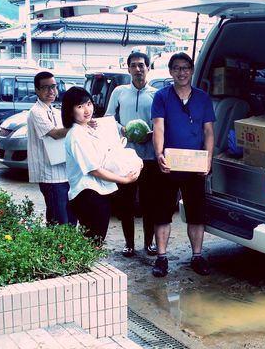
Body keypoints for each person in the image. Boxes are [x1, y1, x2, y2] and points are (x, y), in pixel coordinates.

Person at [151, 52, 215, 277]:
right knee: (162, 213)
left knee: (197, 213)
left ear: (192, 70)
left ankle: (197, 256)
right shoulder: (161, 96)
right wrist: (159, 154)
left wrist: (208, 158)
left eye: (186, 68)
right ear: (170, 72)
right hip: (169, 164)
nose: (182, 72)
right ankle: (161, 258)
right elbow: (158, 127)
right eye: (177, 68)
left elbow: (208, 131)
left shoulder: (202, 98)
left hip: (194, 165)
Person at [62, 87, 140, 244]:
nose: (86, 109)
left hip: (97, 192)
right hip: (87, 194)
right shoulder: (76, 135)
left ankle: (87, 267)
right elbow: (94, 169)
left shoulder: (87, 129)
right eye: (80, 106)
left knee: (95, 240)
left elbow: (109, 153)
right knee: (93, 241)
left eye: (89, 103)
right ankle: (85, 268)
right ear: (70, 111)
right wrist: (124, 180)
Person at [105, 51, 159, 258]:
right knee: (125, 203)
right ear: (128, 69)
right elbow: (109, 117)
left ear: (148, 68)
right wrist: (122, 129)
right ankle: (129, 244)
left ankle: (149, 243)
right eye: (134, 65)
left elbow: (161, 121)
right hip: (125, 157)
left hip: (149, 157)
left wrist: (153, 133)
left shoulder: (156, 94)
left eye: (142, 65)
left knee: (149, 203)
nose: (138, 69)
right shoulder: (119, 92)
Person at [27, 71, 76, 226]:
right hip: (50, 175)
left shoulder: (54, 110)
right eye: (46, 88)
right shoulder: (36, 111)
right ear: (37, 90)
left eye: (54, 87)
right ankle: (56, 249)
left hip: (64, 172)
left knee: (71, 219)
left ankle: (67, 249)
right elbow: (55, 134)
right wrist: (80, 127)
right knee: (58, 220)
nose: (51, 91)